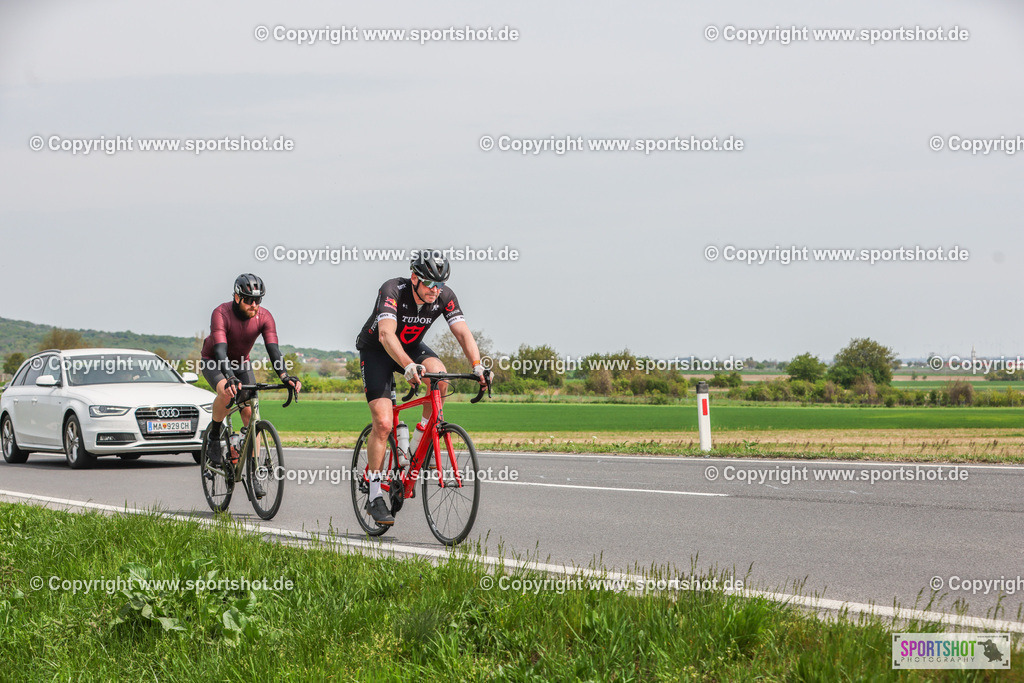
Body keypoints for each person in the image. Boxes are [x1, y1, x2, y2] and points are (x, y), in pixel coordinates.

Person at [355, 252, 490, 525]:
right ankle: (373, 494)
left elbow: (463, 333)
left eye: (440, 284)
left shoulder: (444, 295)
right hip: (378, 351)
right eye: (429, 283)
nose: (435, 290)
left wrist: (477, 365)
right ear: (415, 277)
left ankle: (418, 448)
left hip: (411, 347)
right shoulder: (393, 289)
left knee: (439, 377)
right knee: (383, 423)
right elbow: (385, 334)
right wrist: (406, 365)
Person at [200, 274, 301, 491]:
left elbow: (273, 349)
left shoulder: (265, 317)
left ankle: (253, 472)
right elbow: (220, 350)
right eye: (249, 300)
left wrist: (285, 376)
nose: (254, 305)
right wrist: (229, 378)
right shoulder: (221, 313)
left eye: (258, 300)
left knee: (251, 414)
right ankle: (215, 436)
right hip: (214, 361)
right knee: (227, 393)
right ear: (237, 297)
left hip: (242, 363)